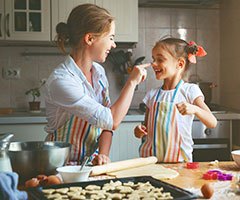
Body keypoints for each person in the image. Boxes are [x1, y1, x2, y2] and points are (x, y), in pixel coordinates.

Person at [43, 4, 150, 165]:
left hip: (90, 165)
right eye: (111, 38)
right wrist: (132, 82)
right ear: (90, 38)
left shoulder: (99, 72)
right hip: (60, 166)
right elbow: (112, 119)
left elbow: (107, 126)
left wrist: (103, 155)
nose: (113, 45)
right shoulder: (62, 81)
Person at [134, 38, 217, 163]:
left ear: (180, 64)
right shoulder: (152, 95)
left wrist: (194, 109)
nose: (154, 64)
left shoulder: (190, 91)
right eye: (153, 59)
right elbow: (145, 130)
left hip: (180, 163)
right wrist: (139, 131)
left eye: (160, 60)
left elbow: (212, 122)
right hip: (151, 163)